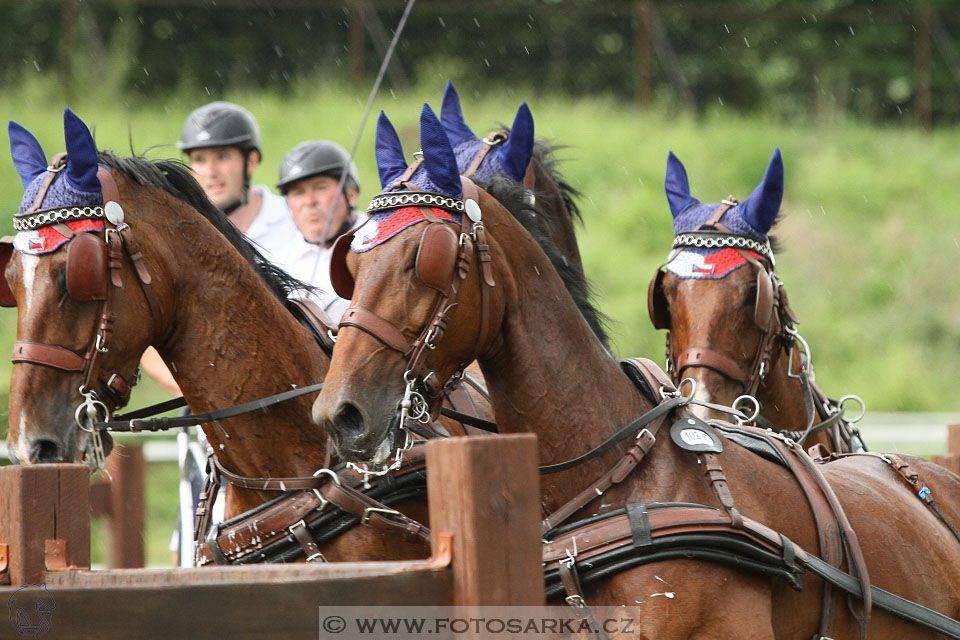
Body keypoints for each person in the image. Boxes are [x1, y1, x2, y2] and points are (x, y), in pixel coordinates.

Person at [142, 101, 299, 396]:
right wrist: (206, 394)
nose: (211, 171)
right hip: (215, 422)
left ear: (251, 161)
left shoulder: (296, 220)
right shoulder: (177, 236)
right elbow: (149, 338)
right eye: (200, 159)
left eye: (222, 156)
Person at [275, 140, 362, 322]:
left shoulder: (385, 246)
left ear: (351, 194)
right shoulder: (277, 264)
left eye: (320, 187)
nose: (309, 201)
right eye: (298, 192)